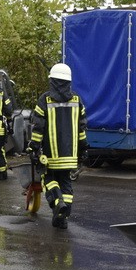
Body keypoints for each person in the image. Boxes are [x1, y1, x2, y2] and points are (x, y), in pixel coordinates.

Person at [27, 63, 88, 229]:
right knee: (66, 182)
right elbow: (81, 128)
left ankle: (57, 203)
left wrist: (33, 147)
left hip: (50, 154)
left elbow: (38, 127)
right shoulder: (77, 100)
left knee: (49, 179)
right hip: (70, 154)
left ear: (52, 80)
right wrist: (83, 148)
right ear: (68, 81)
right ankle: (64, 216)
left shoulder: (45, 100)